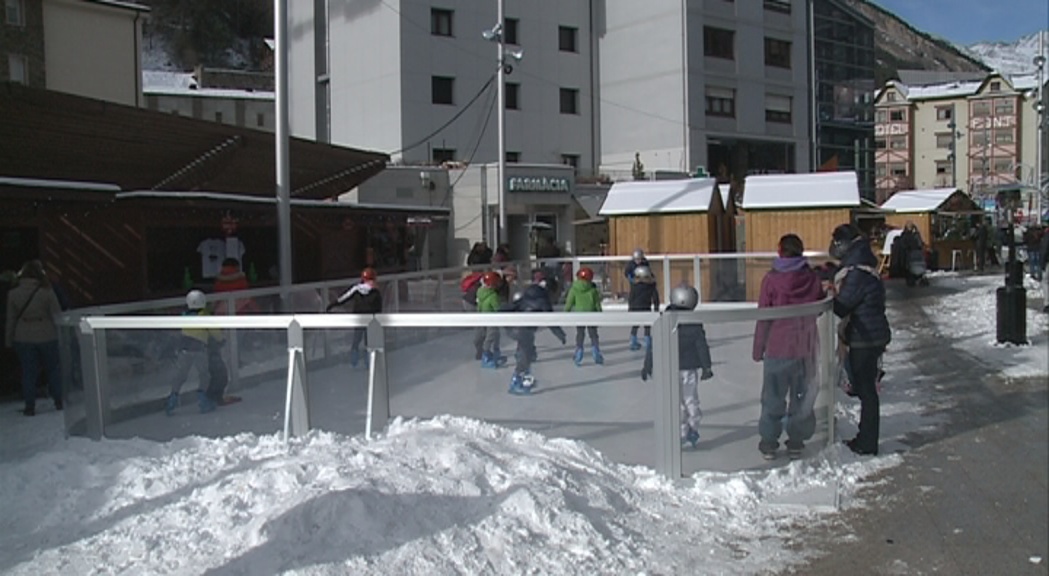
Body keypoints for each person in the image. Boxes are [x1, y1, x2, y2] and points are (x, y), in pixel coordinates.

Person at [752, 234, 825, 460]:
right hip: (806, 346)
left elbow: (764, 315)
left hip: (778, 347)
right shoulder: (811, 277)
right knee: (802, 396)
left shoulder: (772, 280)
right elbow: (820, 306)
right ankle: (796, 440)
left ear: (780, 251)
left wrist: (758, 348)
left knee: (773, 395)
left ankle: (769, 441)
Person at [828, 224, 891, 456]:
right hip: (870, 334)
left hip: (865, 337)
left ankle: (867, 442)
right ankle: (866, 438)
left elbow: (843, 306)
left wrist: (827, 296)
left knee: (866, 392)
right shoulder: (863, 268)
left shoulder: (857, 274)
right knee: (866, 390)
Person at [641, 284, 713, 449]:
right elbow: (701, 346)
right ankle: (686, 431)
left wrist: (648, 365)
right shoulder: (681, 322)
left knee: (684, 402)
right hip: (678, 370)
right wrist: (706, 366)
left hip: (677, 370)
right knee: (687, 402)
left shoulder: (667, 320)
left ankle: (688, 431)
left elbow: (654, 346)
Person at [5, 260, 63, 416]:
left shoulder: (13, 294)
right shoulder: (47, 291)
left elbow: (11, 318)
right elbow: (56, 314)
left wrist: (8, 340)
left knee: (28, 372)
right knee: (53, 369)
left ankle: (29, 405)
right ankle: (59, 400)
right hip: (46, 334)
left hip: (23, 335)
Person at [500, 272, 567, 395]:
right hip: (523, 329)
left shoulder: (528, 293)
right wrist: (560, 334)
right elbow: (550, 320)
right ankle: (517, 379)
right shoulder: (543, 300)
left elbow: (512, 305)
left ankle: (524, 374)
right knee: (526, 353)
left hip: (514, 326)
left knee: (526, 349)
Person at [165, 290, 225, 416]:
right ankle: (203, 400)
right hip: (199, 349)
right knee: (204, 375)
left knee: (181, 375)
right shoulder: (204, 316)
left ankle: (172, 399)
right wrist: (221, 339)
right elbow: (214, 331)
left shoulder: (184, 316)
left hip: (184, 349)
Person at [327, 267, 383, 368]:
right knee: (368, 341)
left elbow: (343, 298)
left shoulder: (357, 289)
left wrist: (332, 305)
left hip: (359, 318)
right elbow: (379, 307)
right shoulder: (376, 292)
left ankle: (354, 360)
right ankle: (368, 361)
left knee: (356, 339)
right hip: (371, 319)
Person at [564, 266, 604, 366]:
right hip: (591, 315)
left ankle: (579, 350)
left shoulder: (574, 289)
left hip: (579, 316)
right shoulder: (593, 290)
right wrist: (600, 314)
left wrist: (566, 312)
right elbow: (597, 304)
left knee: (580, 334)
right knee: (593, 334)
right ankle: (595, 350)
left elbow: (569, 302)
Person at [476, 271, 508, 368]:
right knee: (492, 335)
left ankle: (492, 353)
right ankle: (486, 355)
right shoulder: (493, 296)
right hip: (492, 318)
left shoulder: (480, 292)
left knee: (492, 335)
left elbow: (479, 305)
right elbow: (497, 308)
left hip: (483, 317)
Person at [627, 265, 659, 351]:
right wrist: (656, 308)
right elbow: (655, 298)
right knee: (647, 326)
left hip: (635, 308)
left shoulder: (634, 286)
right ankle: (648, 341)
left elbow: (631, 298)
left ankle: (633, 341)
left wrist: (630, 308)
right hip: (646, 307)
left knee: (635, 325)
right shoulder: (651, 286)